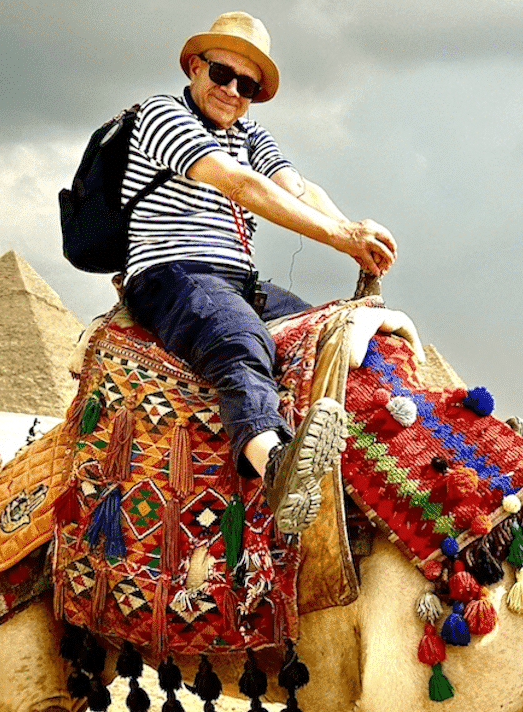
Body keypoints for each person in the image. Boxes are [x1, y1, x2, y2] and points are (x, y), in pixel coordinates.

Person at [116, 12, 397, 534]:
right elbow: (241, 185)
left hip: (239, 283)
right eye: (223, 75)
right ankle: (277, 466)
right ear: (196, 67)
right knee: (240, 338)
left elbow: (294, 188)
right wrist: (341, 238)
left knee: (332, 330)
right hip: (170, 273)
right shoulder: (161, 115)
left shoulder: (250, 134)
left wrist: (353, 233)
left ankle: (385, 458)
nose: (232, 91)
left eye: (246, 84)